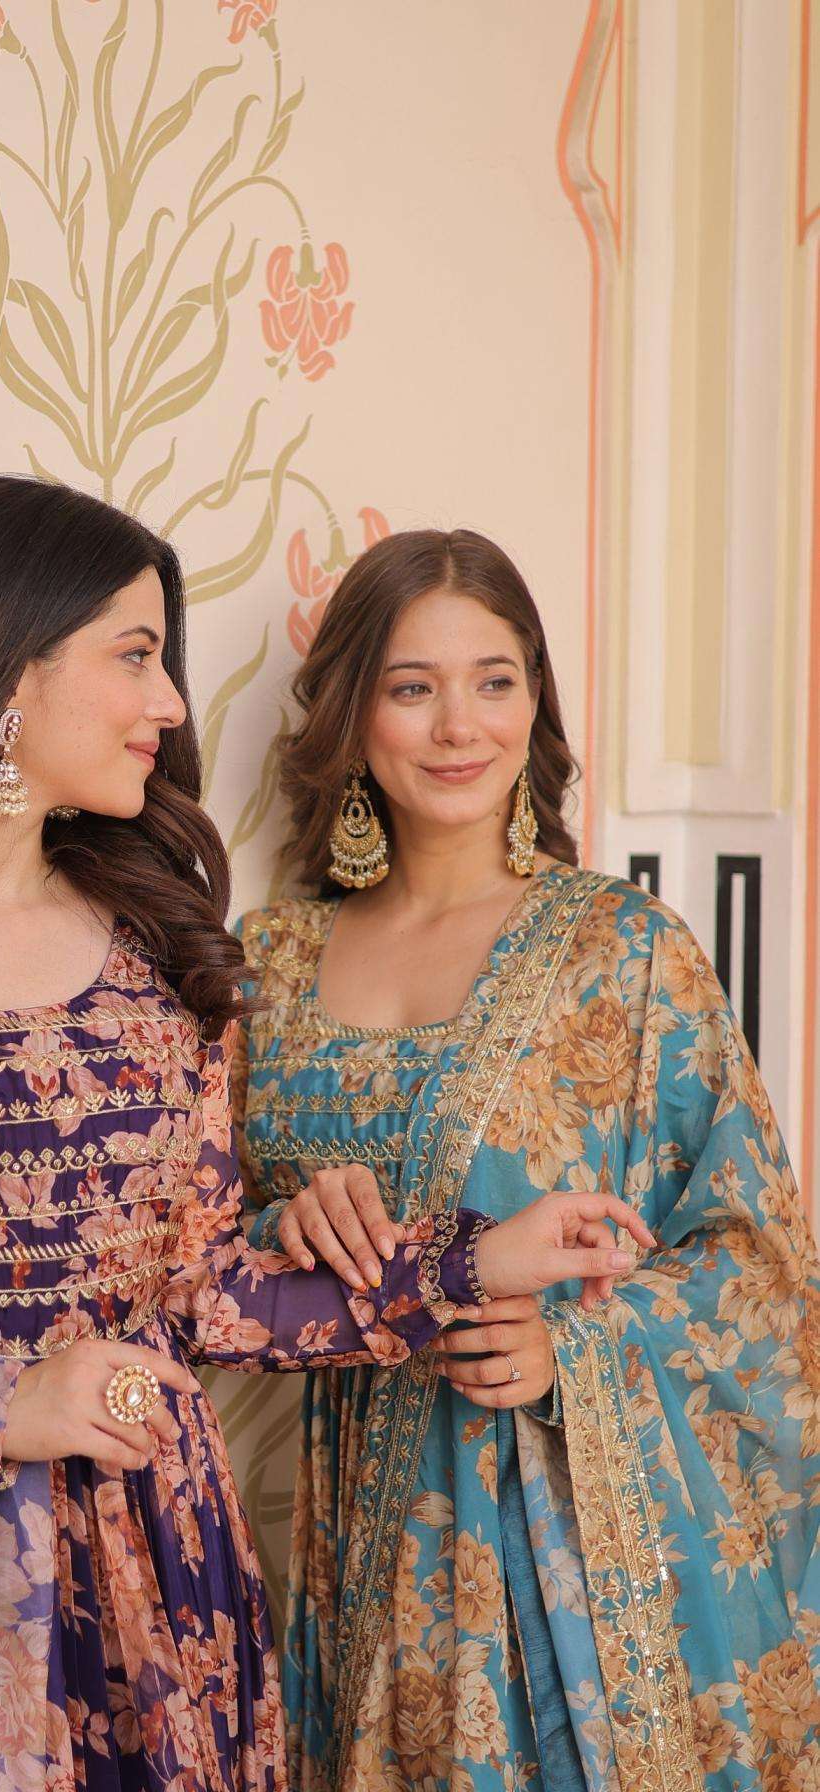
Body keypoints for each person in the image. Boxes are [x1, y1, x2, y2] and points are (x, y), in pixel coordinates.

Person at [0, 482, 650, 1792]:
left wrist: (472, 1262)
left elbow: (202, 1292)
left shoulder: (154, 958)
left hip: (156, 1601)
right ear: (5, 666)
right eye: (136, 655)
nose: (170, 702)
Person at [233, 528, 820, 1792]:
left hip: (571, 1571)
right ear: (354, 710)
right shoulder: (271, 963)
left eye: (495, 680)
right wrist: (289, 1220)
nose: (460, 726)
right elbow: (195, 1253)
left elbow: (761, 1264)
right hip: (362, 1554)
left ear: (535, 701)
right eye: (413, 686)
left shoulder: (624, 950)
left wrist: (579, 1350)